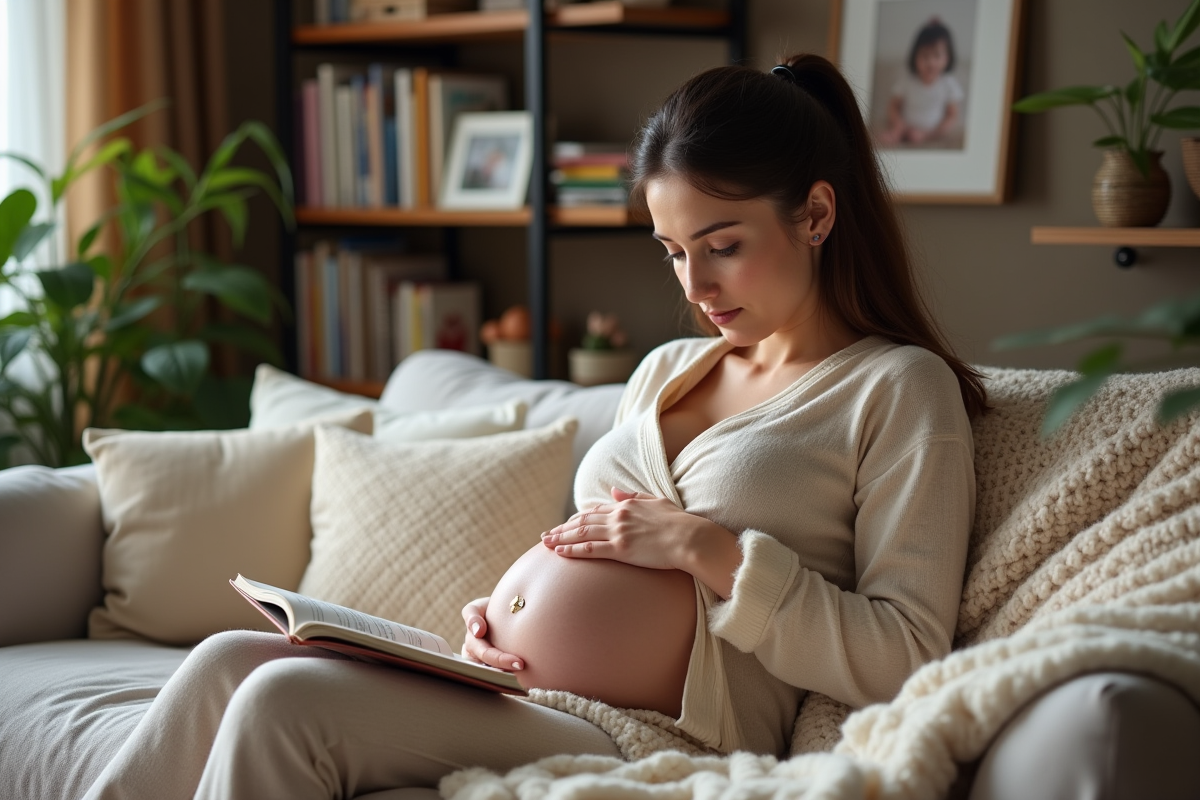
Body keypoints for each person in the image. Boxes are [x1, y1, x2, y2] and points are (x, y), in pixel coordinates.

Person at [82, 53, 984, 800]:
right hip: (523, 687)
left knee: (285, 703)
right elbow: (590, 556)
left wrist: (705, 547)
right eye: (673, 252)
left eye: (723, 245)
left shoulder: (896, 390)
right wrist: (496, 618)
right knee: (223, 663)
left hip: (661, 732)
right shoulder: (665, 371)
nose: (694, 288)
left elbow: (903, 653)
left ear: (816, 214)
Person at [877, 18, 964, 147]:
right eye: (924, 56)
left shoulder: (948, 83)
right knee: (891, 134)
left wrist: (932, 133)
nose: (930, 62)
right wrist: (898, 124)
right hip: (904, 129)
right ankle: (896, 134)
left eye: (937, 55)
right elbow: (893, 106)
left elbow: (952, 116)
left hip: (933, 132)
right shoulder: (907, 80)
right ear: (915, 57)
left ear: (947, 58)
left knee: (922, 136)